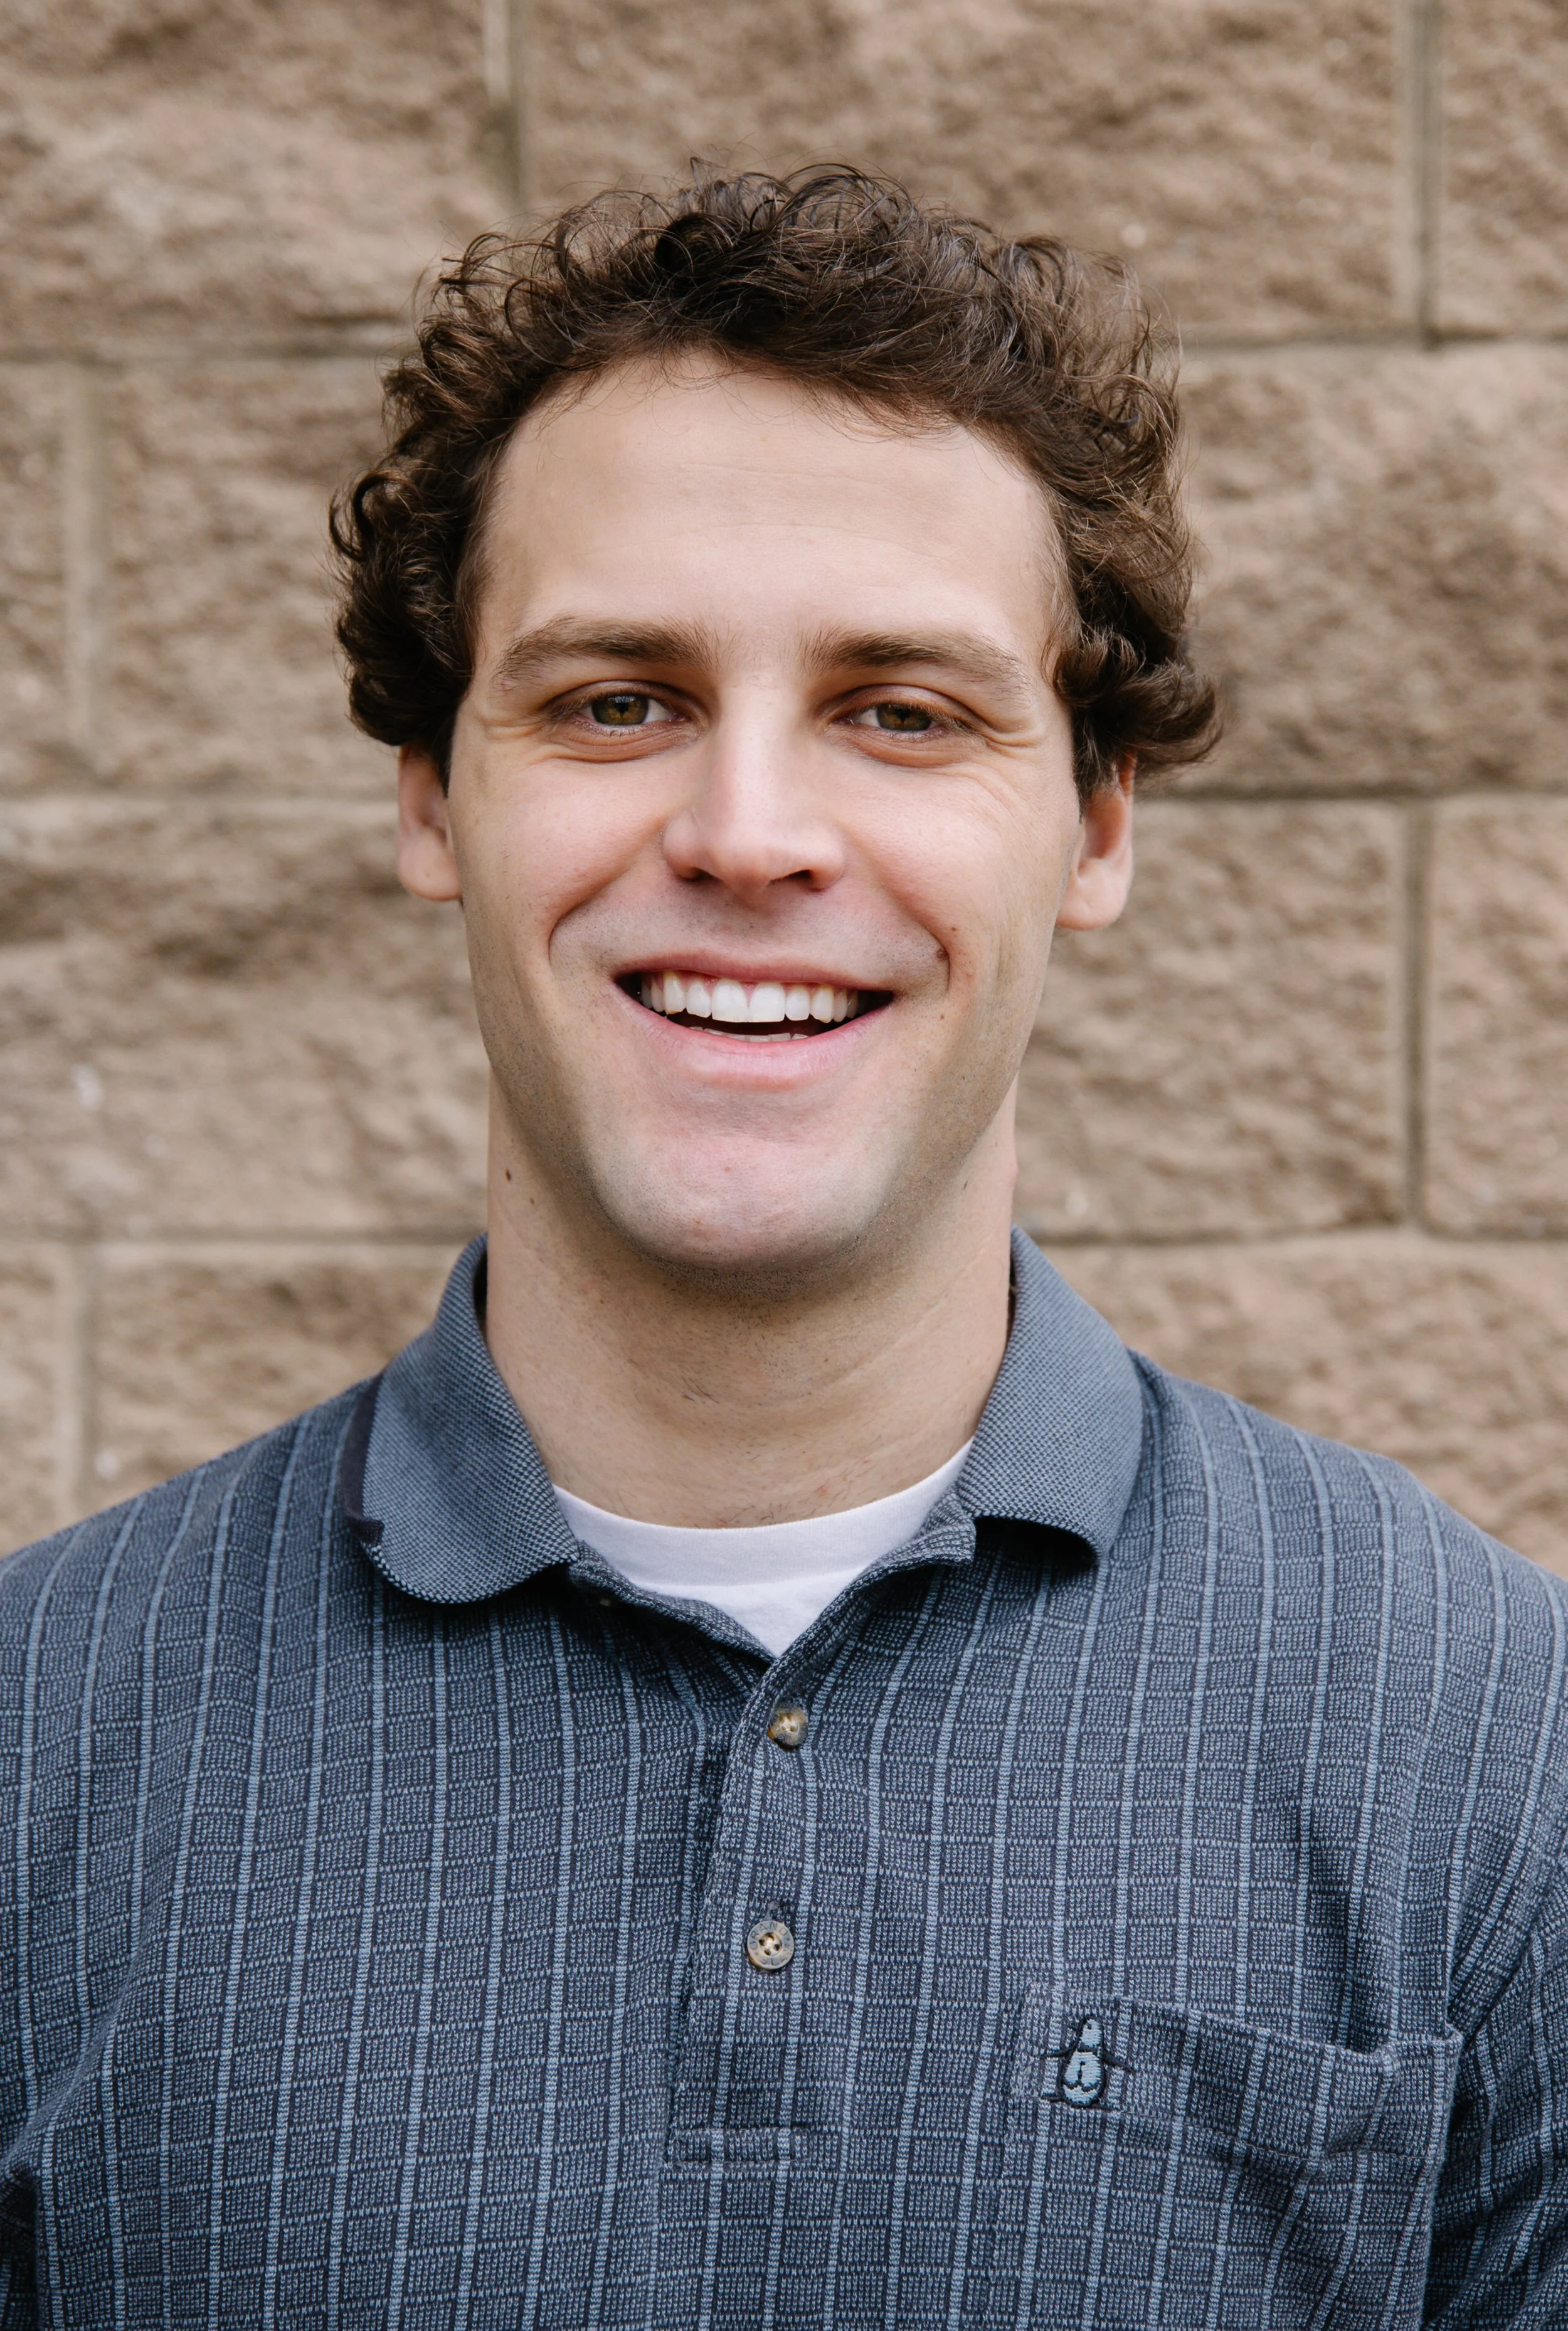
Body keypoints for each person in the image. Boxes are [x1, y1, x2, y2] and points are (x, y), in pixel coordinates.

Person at [0, 169, 1562, 2330]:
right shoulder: (30, 1739)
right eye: (615, 697)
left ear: (1092, 823)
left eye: (900, 708)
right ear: (434, 801)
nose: (746, 833)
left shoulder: (1489, 1745)